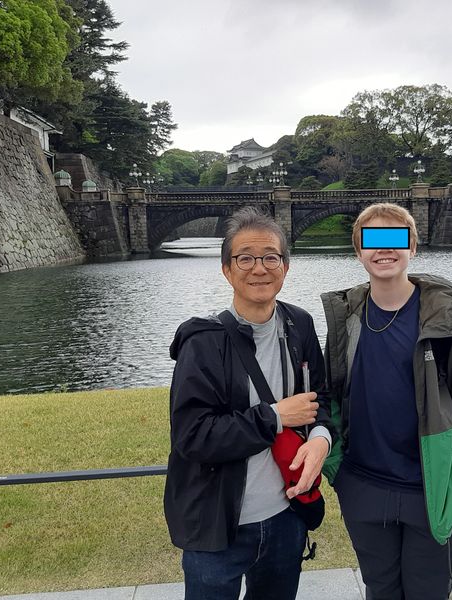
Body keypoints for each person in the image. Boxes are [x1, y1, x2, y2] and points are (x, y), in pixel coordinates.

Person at [321, 203, 452, 600]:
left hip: (431, 488)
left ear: (413, 248)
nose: (383, 251)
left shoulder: (446, 317)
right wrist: (339, 471)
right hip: (364, 487)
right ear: (358, 252)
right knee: (381, 593)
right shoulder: (347, 319)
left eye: (394, 240)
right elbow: (332, 398)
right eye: (372, 241)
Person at [164, 207, 332, 600]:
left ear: (285, 266)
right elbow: (192, 436)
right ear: (227, 269)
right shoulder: (203, 342)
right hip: (218, 525)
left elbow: (320, 398)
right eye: (245, 258)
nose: (259, 268)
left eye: (271, 257)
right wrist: (273, 417)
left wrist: (321, 438)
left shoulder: (299, 325)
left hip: (286, 516)